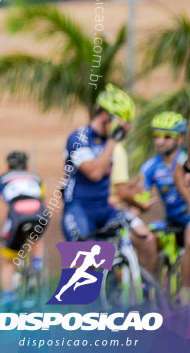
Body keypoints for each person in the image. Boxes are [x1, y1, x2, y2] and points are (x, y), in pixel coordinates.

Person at [61, 84, 156, 273]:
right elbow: (94, 173)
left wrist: (131, 190)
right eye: (123, 121)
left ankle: (145, 298)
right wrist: (113, 140)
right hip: (78, 210)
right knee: (87, 264)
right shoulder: (79, 138)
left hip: (104, 210)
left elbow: (110, 180)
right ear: (106, 116)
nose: (126, 127)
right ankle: (84, 299)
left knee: (146, 239)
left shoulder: (109, 144)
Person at [0, 150, 49, 309]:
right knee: (37, 235)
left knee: (8, 261)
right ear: (27, 166)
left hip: (17, 215)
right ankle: (37, 268)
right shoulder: (37, 179)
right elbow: (41, 201)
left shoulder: (0, 179)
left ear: (7, 166)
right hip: (39, 212)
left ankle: (8, 299)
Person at [140, 111, 190, 304]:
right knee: (143, 236)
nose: (160, 142)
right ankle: (148, 294)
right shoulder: (150, 167)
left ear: (180, 138)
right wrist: (132, 212)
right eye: (156, 136)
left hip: (188, 222)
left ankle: (185, 294)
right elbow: (142, 199)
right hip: (170, 222)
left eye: (167, 137)